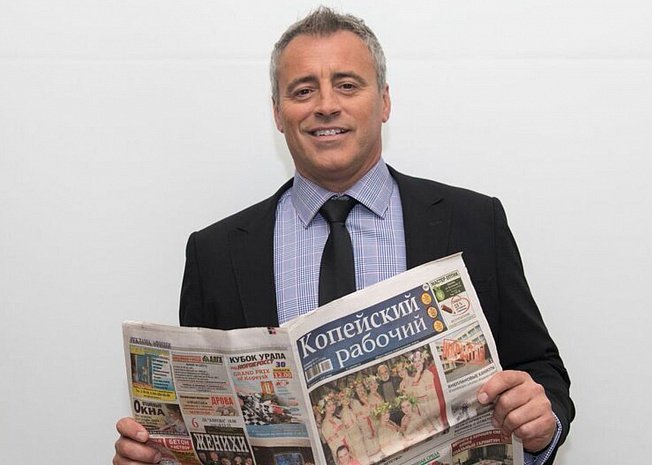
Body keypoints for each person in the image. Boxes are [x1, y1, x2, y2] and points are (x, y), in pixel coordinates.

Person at [114, 6, 573, 465]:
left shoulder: (474, 222)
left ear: (385, 101)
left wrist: (541, 423)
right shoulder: (215, 253)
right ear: (278, 113)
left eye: (347, 85)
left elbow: (540, 368)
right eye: (303, 90)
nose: (326, 105)